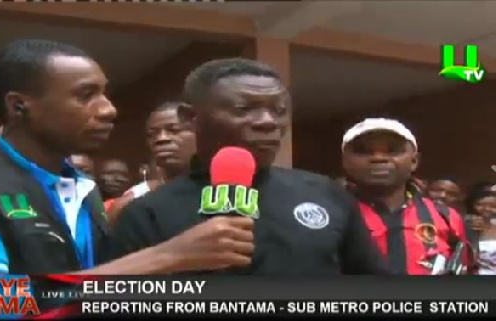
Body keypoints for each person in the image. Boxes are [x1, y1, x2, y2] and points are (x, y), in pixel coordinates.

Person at [0, 39, 254, 275]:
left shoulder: (83, 189)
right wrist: (167, 256)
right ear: (19, 105)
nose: (109, 110)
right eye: (87, 96)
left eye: (105, 94)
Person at [109, 58, 389, 275]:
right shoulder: (146, 214)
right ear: (190, 118)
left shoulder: (326, 194)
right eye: (244, 109)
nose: (268, 122)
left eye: (279, 110)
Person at [341, 118, 469, 275]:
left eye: (393, 150)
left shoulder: (447, 217)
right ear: (345, 161)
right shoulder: (328, 214)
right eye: (363, 151)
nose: (378, 158)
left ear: (414, 161)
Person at [105, 101, 196, 222]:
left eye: (174, 130)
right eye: (152, 134)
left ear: (199, 133)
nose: (161, 139)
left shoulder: (220, 188)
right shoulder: (132, 202)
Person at [463, 186, 496, 274]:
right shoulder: (465, 224)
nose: (487, 209)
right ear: (473, 204)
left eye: (493, 206)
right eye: (481, 204)